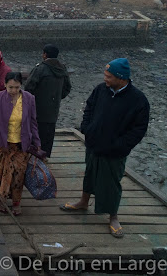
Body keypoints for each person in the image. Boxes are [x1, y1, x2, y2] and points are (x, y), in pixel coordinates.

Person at [60, 58, 149, 239]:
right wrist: (86, 128)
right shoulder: (101, 90)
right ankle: (83, 202)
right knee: (90, 173)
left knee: (111, 182)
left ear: (121, 78)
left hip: (115, 151)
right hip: (94, 144)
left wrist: (121, 145)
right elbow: (89, 108)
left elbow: (139, 129)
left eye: (108, 76)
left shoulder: (138, 100)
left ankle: (113, 217)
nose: (105, 78)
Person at [0, 72, 41, 215]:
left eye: (17, 87)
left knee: (18, 175)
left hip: (21, 144)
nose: (13, 91)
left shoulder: (29, 99)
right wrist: (1, 143)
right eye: (10, 87)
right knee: (4, 173)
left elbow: (33, 122)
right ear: (5, 85)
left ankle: (16, 202)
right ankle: (2, 198)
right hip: (4, 144)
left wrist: (37, 142)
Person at [24, 44, 72, 158]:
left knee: (36, 132)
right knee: (49, 133)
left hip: (38, 108)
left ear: (45, 54)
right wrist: (57, 98)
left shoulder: (40, 68)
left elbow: (29, 87)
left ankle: (34, 156)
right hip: (53, 109)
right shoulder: (63, 69)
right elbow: (67, 88)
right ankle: (45, 156)